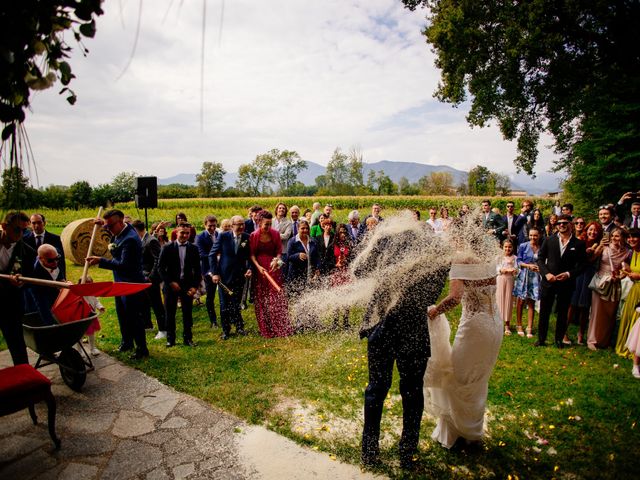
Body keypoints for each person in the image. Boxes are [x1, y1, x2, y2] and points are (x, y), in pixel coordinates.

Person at [357, 217, 448, 469]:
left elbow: (359, 272)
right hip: (410, 330)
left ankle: (370, 452)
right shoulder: (435, 254)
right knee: (410, 392)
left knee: (379, 389)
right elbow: (432, 293)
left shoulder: (387, 245)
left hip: (383, 328)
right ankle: (406, 454)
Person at [426, 230, 503, 449]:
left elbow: (454, 298)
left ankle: (459, 434)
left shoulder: (461, 260)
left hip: (475, 327)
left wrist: (434, 312)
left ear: (461, 238)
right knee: (478, 379)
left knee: (458, 378)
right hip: (495, 323)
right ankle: (472, 433)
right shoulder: (489, 259)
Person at [86, 209, 149, 360]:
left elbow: (124, 265)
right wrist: (103, 224)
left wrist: (101, 261)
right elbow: (115, 227)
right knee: (122, 314)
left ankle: (142, 348)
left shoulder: (131, 240)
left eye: (110, 226)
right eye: (107, 226)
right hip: (120, 282)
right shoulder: (122, 228)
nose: (108, 229)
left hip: (131, 283)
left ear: (120, 222)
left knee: (134, 317)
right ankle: (127, 341)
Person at [536, 215, 586, 348]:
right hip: (549, 281)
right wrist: (546, 274)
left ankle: (559, 339)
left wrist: (569, 274)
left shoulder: (579, 244)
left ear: (571, 224)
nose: (562, 225)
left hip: (566, 283)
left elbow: (582, 265)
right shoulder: (548, 240)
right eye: (559, 223)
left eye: (565, 223)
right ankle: (541, 339)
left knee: (563, 312)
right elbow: (540, 259)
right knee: (544, 311)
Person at [249, 210, 292, 338]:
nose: (268, 227)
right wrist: (258, 267)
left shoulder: (275, 234)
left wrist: (276, 260)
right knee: (263, 297)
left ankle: (281, 326)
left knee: (276, 296)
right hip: (261, 270)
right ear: (259, 223)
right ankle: (267, 328)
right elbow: (251, 255)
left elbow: (279, 251)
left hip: (273, 268)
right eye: (265, 224)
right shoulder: (254, 235)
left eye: (269, 224)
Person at [158, 223, 201, 347]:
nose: (185, 235)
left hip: (187, 284)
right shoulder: (167, 248)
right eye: (182, 232)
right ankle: (170, 339)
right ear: (176, 232)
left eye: (187, 233)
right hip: (171, 284)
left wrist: (194, 287)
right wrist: (170, 282)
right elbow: (160, 268)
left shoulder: (194, 248)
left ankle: (188, 338)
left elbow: (197, 270)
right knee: (170, 313)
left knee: (187, 313)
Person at [209, 215, 252, 340]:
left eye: (242, 224)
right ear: (232, 226)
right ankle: (226, 330)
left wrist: (249, 268)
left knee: (236, 303)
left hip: (240, 276)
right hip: (224, 276)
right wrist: (215, 273)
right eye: (238, 224)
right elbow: (212, 255)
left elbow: (249, 256)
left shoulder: (246, 238)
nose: (241, 226)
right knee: (224, 305)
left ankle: (239, 327)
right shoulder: (223, 236)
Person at [587, 228, 629, 350]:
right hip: (601, 281)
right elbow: (592, 259)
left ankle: (604, 341)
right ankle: (592, 340)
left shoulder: (626, 252)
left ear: (622, 238)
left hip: (615, 283)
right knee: (597, 311)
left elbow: (626, 269)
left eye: (617, 236)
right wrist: (598, 247)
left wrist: (620, 277)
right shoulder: (605, 247)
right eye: (613, 236)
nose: (614, 238)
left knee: (610, 313)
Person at [567, 221, 603, 344]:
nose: (592, 232)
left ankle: (581, 333)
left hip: (590, 275)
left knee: (585, 306)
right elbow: (578, 260)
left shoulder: (600, 244)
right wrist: (588, 253)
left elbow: (593, 262)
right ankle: (564, 332)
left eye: (595, 231)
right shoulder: (579, 241)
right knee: (572, 304)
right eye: (590, 230)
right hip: (579, 274)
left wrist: (598, 250)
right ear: (586, 230)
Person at [132, 220, 166, 335]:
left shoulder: (151, 241)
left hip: (151, 278)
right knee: (144, 303)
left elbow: (158, 260)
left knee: (156, 304)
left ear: (137, 230)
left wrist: (151, 277)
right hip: (142, 277)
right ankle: (148, 325)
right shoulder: (141, 240)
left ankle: (163, 329)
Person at [26, 244, 65, 326]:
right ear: (41, 259)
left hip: (54, 291)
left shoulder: (55, 255)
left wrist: (61, 279)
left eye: (57, 259)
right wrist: (51, 325)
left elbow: (60, 267)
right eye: (50, 261)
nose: (55, 262)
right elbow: (41, 303)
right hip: (40, 296)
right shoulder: (34, 274)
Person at [513, 227, 542, 337]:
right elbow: (518, 261)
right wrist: (528, 266)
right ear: (528, 235)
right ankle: (519, 325)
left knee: (532, 301)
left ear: (539, 235)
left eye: (535, 235)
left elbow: (543, 260)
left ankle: (529, 326)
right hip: (524, 275)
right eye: (531, 235)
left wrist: (540, 268)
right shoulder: (523, 246)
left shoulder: (541, 247)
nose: (533, 237)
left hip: (535, 277)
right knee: (520, 301)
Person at [616, 229, 640, 357]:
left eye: (634, 237)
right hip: (634, 290)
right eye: (629, 238)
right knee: (630, 317)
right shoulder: (633, 253)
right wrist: (628, 272)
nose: (631, 240)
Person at [195, 215, 219, 328]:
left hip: (220, 269)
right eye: (210, 226)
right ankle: (213, 321)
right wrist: (216, 256)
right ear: (205, 225)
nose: (213, 228)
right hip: (208, 270)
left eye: (214, 225)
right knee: (210, 296)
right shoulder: (200, 237)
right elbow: (201, 254)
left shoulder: (219, 234)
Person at [286, 219, 319, 299]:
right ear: (298, 229)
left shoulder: (313, 241)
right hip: (296, 275)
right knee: (296, 299)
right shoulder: (292, 241)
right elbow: (288, 256)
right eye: (302, 228)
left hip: (310, 274)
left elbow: (317, 257)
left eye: (307, 228)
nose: (305, 230)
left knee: (308, 298)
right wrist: (297, 255)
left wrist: (318, 269)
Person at [331, 224, 353, 329]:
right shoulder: (333, 245)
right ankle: (335, 322)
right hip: (336, 273)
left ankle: (345, 322)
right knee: (336, 297)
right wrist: (335, 264)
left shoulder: (350, 244)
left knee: (346, 297)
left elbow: (353, 259)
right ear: (337, 233)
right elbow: (328, 260)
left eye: (344, 232)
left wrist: (347, 261)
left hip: (346, 273)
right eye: (340, 232)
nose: (343, 234)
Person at [496, 239, 518, 335]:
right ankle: (498, 324)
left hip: (510, 280)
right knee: (499, 300)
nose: (507, 248)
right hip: (501, 279)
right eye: (505, 247)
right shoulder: (499, 257)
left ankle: (507, 325)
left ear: (512, 248)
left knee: (508, 301)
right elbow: (495, 268)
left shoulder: (515, 258)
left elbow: (517, 269)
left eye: (509, 247)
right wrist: (501, 270)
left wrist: (514, 271)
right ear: (502, 247)